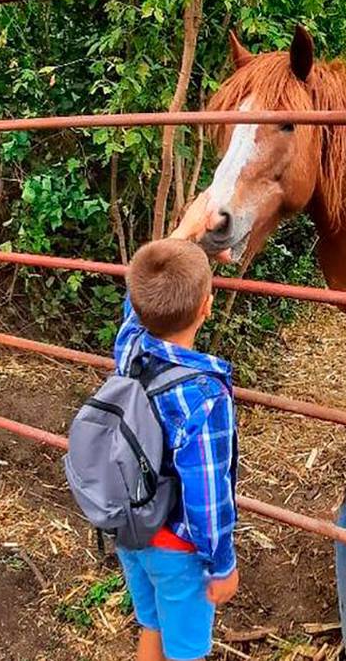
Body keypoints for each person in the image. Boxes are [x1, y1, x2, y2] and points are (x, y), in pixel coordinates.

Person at [113, 195, 239, 661]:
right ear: (206, 306)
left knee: (152, 624)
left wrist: (183, 235)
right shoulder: (204, 397)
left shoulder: (130, 349)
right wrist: (222, 563)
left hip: (131, 531)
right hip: (177, 546)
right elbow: (207, 494)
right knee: (187, 651)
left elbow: (136, 305)